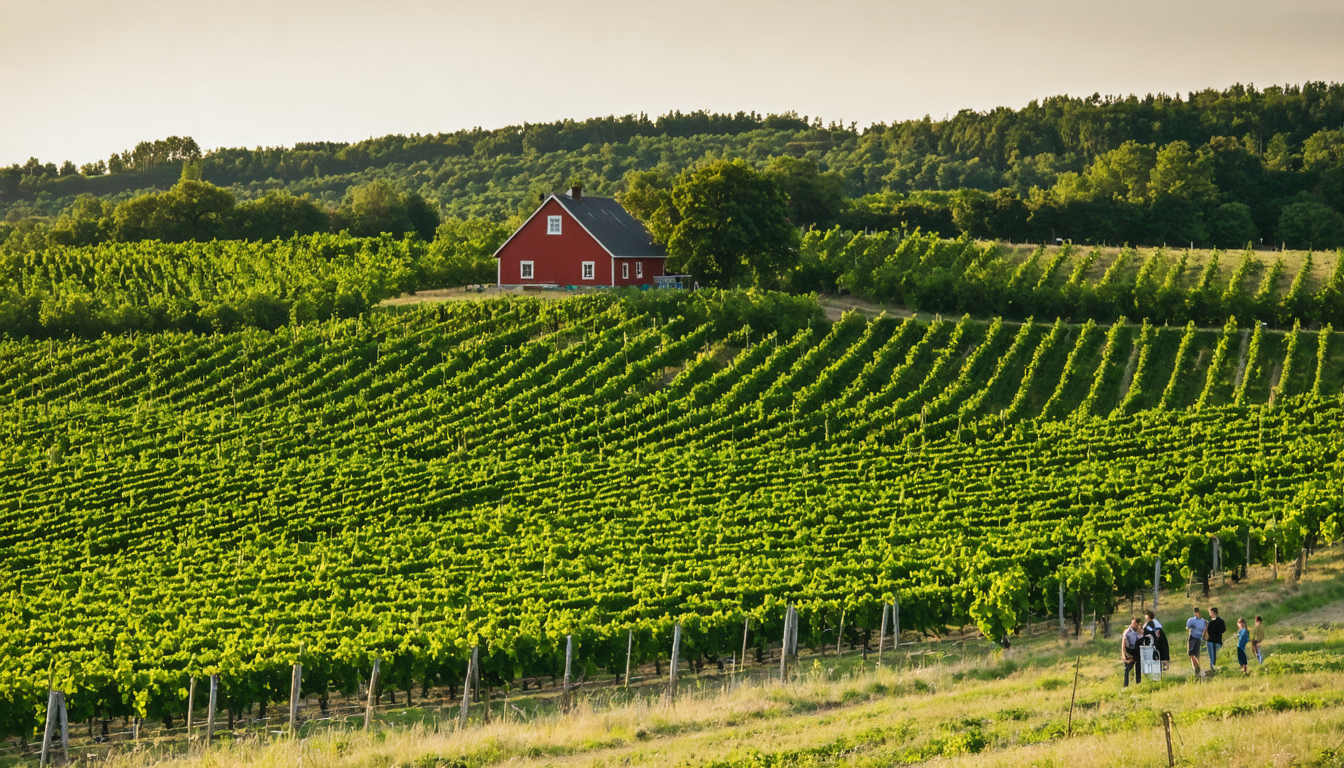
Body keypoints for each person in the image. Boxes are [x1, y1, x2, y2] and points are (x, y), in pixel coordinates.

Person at [1186, 607, 1207, 677]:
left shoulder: (1202, 621)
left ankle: (1197, 668)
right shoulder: (1192, 620)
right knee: (1191, 654)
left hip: (1197, 638)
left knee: (1194, 654)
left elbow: (1205, 628)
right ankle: (1196, 668)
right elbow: (1188, 627)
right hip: (1193, 637)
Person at [1122, 617, 1143, 687]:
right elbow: (1123, 644)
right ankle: (1125, 685)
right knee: (1128, 668)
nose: (1134, 625)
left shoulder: (1139, 631)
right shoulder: (1127, 632)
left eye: (1135, 623)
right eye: (1133, 623)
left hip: (1136, 650)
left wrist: (1140, 632)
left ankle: (1138, 683)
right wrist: (1123, 654)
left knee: (1138, 666)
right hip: (1129, 651)